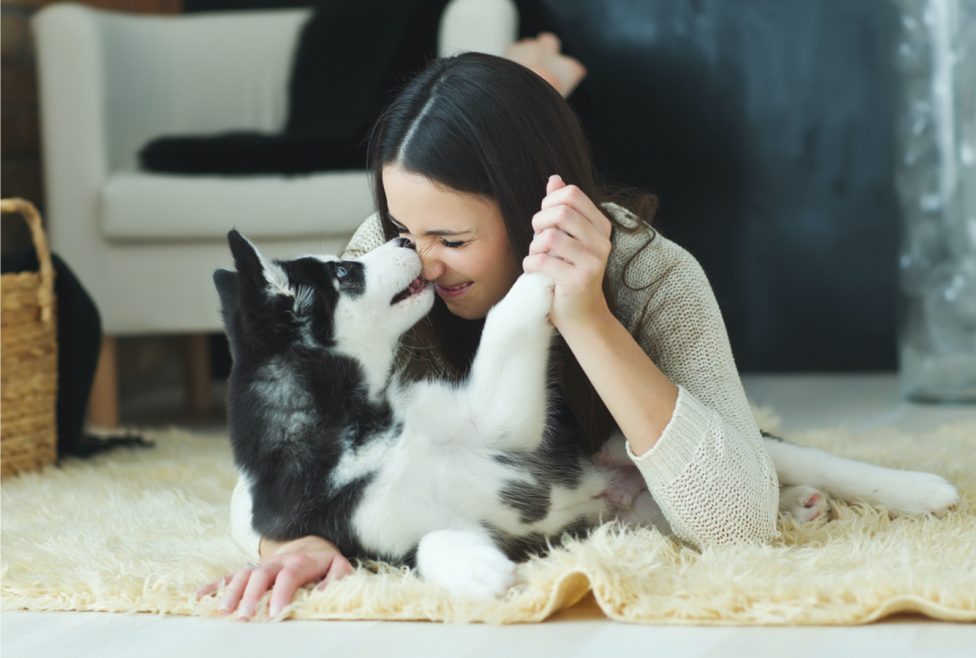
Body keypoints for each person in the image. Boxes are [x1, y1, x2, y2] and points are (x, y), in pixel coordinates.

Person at [201, 40, 779, 621]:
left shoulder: (652, 274)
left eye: (452, 241)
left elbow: (741, 521)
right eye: (401, 226)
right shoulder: (387, 263)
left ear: (533, 211)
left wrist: (584, 315)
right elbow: (274, 465)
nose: (420, 261)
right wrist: (295, 541)